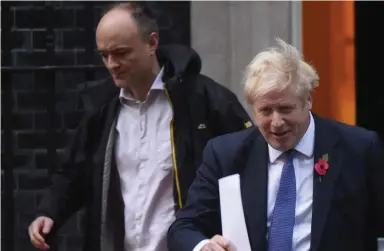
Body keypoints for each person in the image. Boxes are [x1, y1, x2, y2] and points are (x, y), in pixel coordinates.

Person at [27, 2, 252, 251]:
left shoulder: (205, 100)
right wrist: (49, 212)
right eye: (104, 55)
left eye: (121, 53)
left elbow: (250, 166)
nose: (112, 63)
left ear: (151, 43)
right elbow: (73, 172)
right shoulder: (102, 109)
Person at [167, 38, 384, 251]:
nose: (276, 122)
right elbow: (184, 227)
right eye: (265, 111)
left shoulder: (359, 149)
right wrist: (203, 246)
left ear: (308, 99)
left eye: (285, 109)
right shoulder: (225, 154)